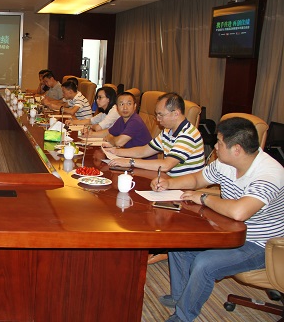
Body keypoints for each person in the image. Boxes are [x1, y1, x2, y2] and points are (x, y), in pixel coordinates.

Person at [150, 117, 284, 322]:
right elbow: (197, 179)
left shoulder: (269, 174)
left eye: (219, 143)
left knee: (205, 264)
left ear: (236, 149)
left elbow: (240, 212)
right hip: (228, 230)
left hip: (262, 245)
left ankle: (183, 316)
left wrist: (204, 198)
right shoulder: (225, 163)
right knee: (179, 241)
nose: (214, 147)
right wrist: (169, 183)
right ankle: (181, 297)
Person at [106, 92, 204, 177]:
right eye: (157, 114)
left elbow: (166, 165)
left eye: (161, 114)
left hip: (183, 187)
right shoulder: (168, 131)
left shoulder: (188, 134)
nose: (157, 119)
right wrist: (116, 152)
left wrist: (130, 162)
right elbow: (144, 150)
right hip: (168, 181)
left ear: (176, 114)